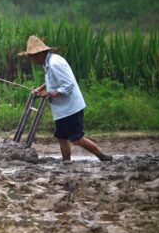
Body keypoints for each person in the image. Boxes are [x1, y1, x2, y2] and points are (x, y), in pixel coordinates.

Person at [19, 35, 112, 163]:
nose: (31, 60)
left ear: (39, 54)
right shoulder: (47, 63)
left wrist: (49, 94)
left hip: (71, 108)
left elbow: (68, 85)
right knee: (62, 138)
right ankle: (66, 162)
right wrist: (40, 89)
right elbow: (52, 80)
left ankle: (102, 156)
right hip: (61, 109)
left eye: (32, 57)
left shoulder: (55, 63)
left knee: (76, 139)